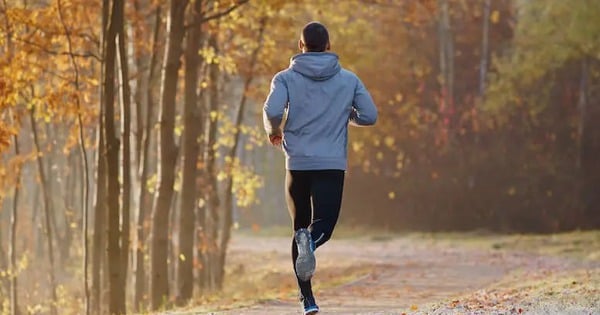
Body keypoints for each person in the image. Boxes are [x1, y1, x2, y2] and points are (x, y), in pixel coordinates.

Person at [263, 21, 378, 315]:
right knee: (322, 227)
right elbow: (370, 115)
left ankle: (307, 300)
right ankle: (310, 244)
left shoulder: (285, 78)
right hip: (330, 164)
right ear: (328, 46)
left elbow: (273, 111)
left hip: (297, 164)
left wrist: (274, 130)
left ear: (301, 47)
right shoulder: (349, 80)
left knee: (299, 227)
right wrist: (345, 113)